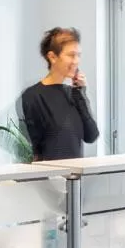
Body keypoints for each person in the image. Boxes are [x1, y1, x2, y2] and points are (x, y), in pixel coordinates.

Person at [20, 27, 99, 161]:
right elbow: (34, 150)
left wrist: (81, 92)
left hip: (75, 179)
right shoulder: (33, 96)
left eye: (78, 55)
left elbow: (91, 135)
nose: (76, 61)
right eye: (71, 55)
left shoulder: (73, 93)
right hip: (50, 178)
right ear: (52, 57)